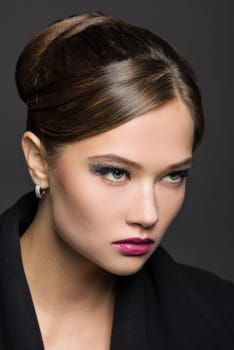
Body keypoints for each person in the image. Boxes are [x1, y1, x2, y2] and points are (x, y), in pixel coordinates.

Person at [0, 12, 233, 350]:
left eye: (173, 175)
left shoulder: (220, 320)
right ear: (39, 162)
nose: (148, 214)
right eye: (115, 172)